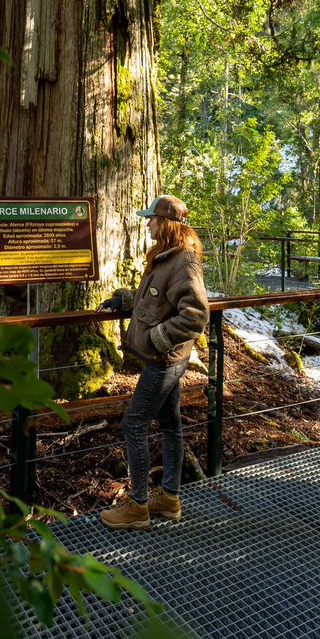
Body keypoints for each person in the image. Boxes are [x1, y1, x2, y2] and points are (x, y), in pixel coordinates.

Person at [97, 195, 209, 531]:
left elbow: (195, 315)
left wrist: (157, 339)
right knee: (171, 425)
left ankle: (139, 506)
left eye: (152, 219)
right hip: (168, 359)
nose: (147, 223)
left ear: (167, 223)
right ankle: (170, 499)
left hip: (164, 360)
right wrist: (127, 299)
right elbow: (158, 299)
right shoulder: (165, 257)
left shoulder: (184, 262)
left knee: (133, 424)